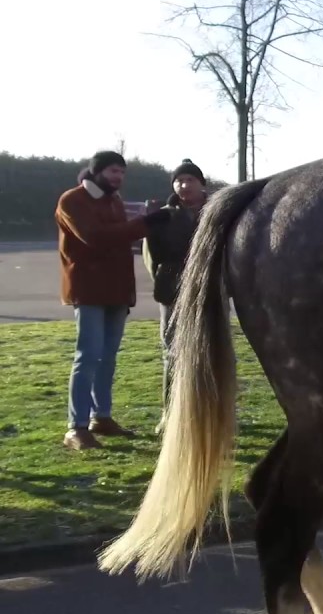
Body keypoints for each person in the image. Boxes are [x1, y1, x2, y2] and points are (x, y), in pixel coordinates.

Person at [55, 150, 173, 450]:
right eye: (112, 172)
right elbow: (94, 237)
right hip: (89, 290)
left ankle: (101, 417)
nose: (118, 178)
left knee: (107, 358)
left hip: (117, 291)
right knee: (88, 356)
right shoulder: (72, 200)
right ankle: (76, 427)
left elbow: (120, 239)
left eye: (121, 172)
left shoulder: (114, 201)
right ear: (96, 172)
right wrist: (146, 224)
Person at [142, 159, 208, 431]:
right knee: (173, 353)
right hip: (172, 291)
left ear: (201, 183)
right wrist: (166, 278)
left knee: (209, 353)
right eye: (179, 180)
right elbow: (151, 258)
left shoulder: (216, 212)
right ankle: (170, 413)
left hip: (210, 290)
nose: (184, 185)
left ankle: (208, 412)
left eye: (190, 180)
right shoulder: (163, 217)